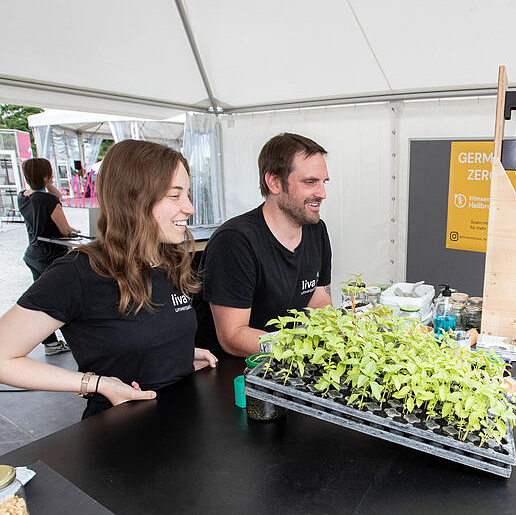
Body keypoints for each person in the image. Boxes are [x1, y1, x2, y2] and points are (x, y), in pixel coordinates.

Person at [0, 140, 217, 419]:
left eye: (187, 194)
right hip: (120, 434)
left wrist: (178, 353)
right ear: (133, 199)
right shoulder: (77, 272)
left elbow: (139, 334)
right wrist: (96, 384)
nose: (190, 208)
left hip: (182, 422)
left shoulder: (170, 260)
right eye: (175, 195)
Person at [196, 133, 333, 357]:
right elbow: (233, 336)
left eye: (323, 182)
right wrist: (298, 349)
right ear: (274, 182)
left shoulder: (316, 231)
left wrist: (336, 332)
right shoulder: (235, 241)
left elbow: (318, 299)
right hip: (236, 369)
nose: (322, 193)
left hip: (287, 361)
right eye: (310, 182)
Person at [17, 157, 79, 355]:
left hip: (33, 255)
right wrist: (72, 231)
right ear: (45, 175)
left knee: (43, 301)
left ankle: (51, 343)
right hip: (52, 258)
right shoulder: (48, 201)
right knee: (66, 301)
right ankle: (77, 341)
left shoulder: (23, 196)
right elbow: (65, 230)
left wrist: (46, 183)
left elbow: (56, 196)